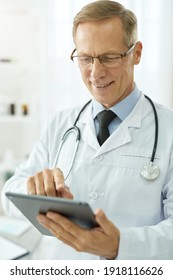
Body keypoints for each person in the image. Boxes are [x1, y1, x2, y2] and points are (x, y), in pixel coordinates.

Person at [2, 0, 173, 260]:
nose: (95, 72)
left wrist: (120, 245)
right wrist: (32, 189)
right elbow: (9, 195)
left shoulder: (168, 129)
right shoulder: (60, 124)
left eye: (108, 57)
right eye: (85, 58)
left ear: (136, 53)